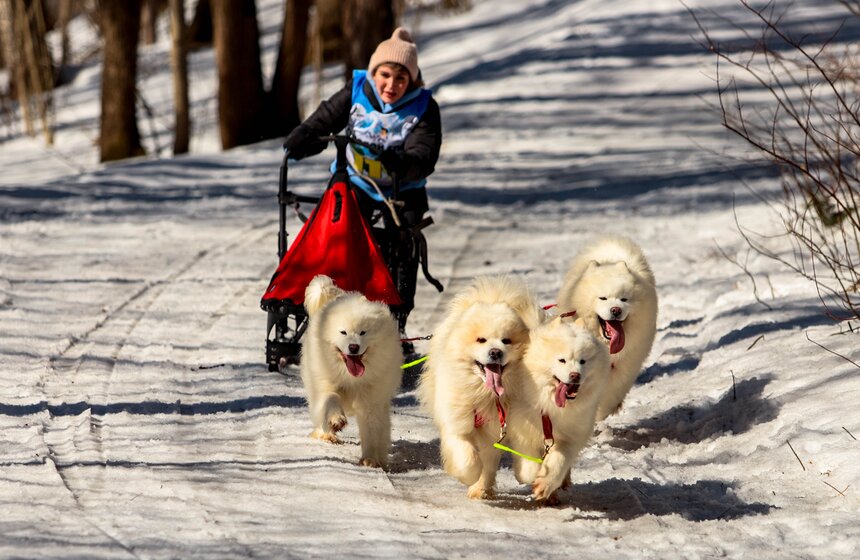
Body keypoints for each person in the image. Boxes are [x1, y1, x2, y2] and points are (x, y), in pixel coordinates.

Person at [283, 27, 442, 355]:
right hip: (355, 181)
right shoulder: (357, 89)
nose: (391, 85)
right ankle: (326, 309)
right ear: (374, 73)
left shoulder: (424, 106)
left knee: (403, 244)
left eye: (401, 78)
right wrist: (303, 137)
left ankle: (396, 319)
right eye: (385, 75)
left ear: (411, 80)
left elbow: (424, 155)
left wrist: (402, 162)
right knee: (336, 232)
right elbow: (324, 119)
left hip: (403, 189)